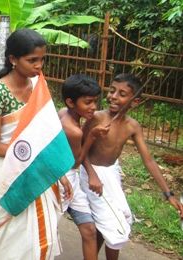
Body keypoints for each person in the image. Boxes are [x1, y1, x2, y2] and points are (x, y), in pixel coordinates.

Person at [0, 29, 72, 260]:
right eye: (32, 60)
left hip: (34, 167)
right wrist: (34, 162)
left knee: (39, 237)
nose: (39, 65)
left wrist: (55, 171)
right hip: (7, 171)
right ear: (13, 59)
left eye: (42, 59)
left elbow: (45, 133)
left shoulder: (36, 85)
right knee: (8, 234)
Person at [80, 73, 183, 260]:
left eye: (122, 93)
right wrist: (92, 174)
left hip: (111, 175)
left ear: (134, 102)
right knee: (115, 225)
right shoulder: (96, 118)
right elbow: (79, 149)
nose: (113, 96)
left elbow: (148, 160)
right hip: (91, 176)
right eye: (112, 91)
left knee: (119, 220)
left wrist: (168, 194)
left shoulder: (133, 126)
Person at [58, 74, 108, 260]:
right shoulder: (73, 130)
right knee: (47, 230)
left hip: (72, 180)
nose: (93, 107)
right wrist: (92, 137)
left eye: (95, 102)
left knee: (89, 229)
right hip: (62, 180)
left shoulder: (63, 112)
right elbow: (76, 161)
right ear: (71, 102)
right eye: (88, 102)